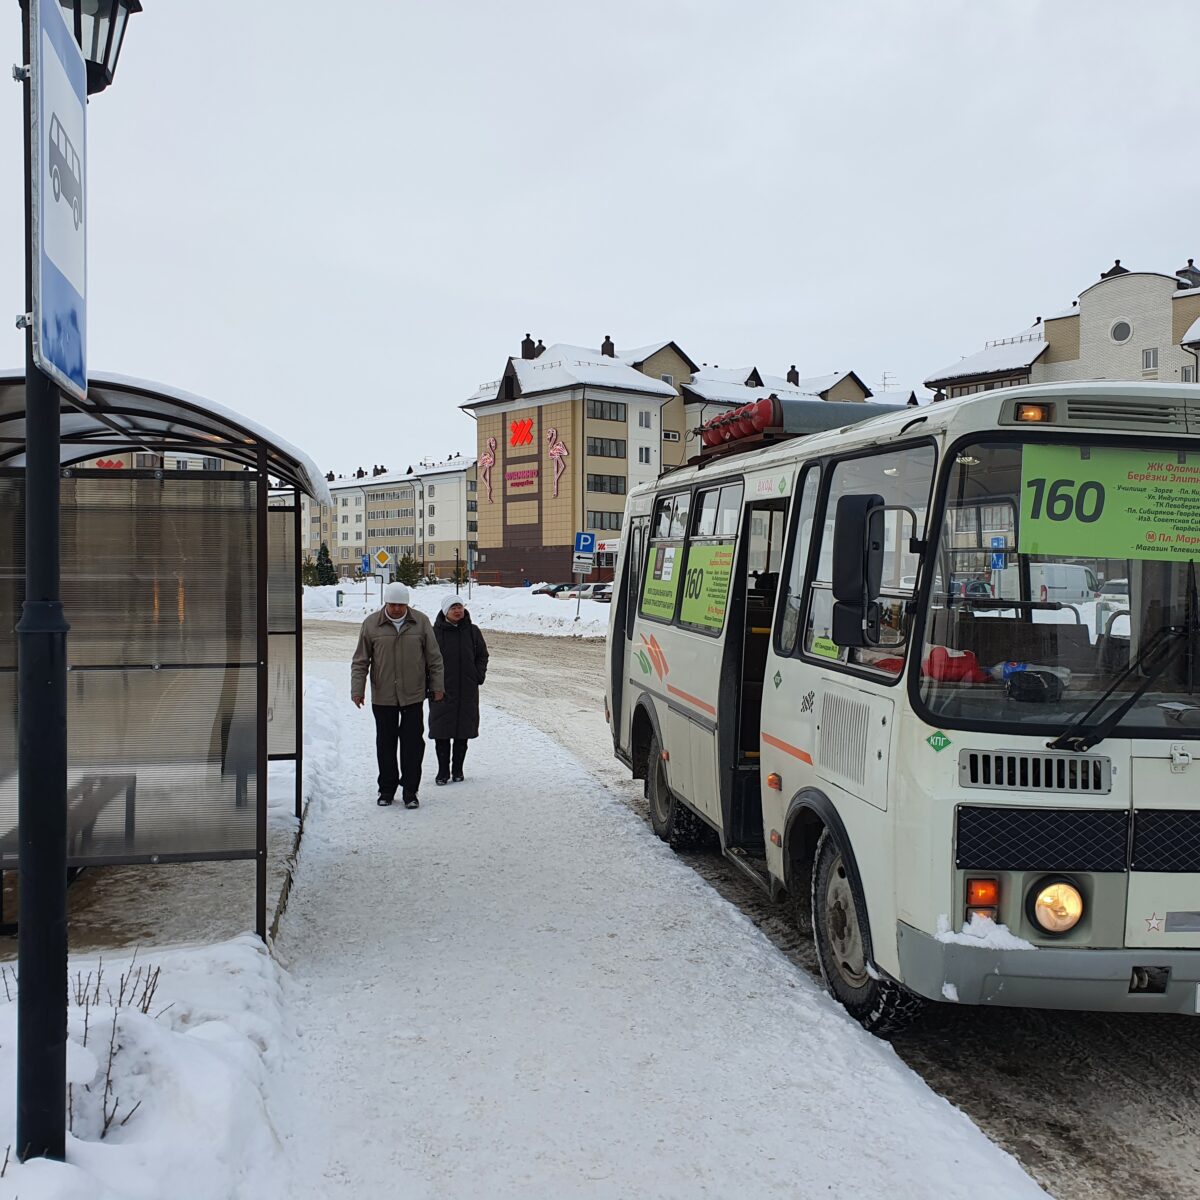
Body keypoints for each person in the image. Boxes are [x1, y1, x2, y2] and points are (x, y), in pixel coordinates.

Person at [351, 582, 444, 809]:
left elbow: (434, 658)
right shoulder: (371, 624)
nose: (396, 609)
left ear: (407, 605)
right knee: (386, 744)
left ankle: (410, 791)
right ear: (386, 603)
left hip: (413, 695)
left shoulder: (420, 622)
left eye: (400, 605)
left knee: (412, 745)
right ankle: (386, 789)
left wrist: (437, 686)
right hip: (383, 696)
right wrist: (357, 689)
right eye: (392, 605)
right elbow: (361, 661)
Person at [429, 595, 489, 785]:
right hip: (442, 689)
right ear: (446, 611)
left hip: (466, 689)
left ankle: (458, 770)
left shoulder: (472, 631)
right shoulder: (434, 633)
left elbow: (482, 655)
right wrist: (430, 684)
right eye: (453, 608)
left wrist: (477, 675)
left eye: (460, 607)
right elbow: (424, 660)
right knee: (441, 730)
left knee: (463, 730)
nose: (458, 611)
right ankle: (443, 772)